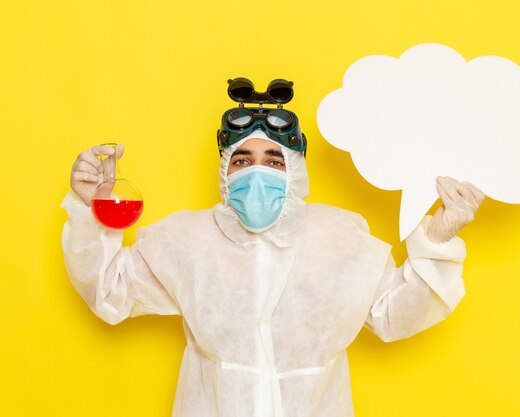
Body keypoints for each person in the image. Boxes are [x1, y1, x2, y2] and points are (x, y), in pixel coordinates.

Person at [61, 79, 484, 417]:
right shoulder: (187, 241)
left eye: (274, 160)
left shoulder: (341, 238)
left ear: (295, 171)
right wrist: (91, 204)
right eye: (242, 160)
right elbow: (110, 291)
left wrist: (438, 239)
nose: (257, 171)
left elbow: (394, 316)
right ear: (225, 170)